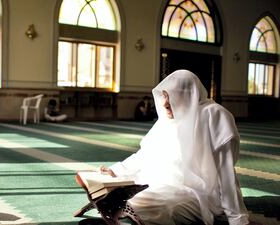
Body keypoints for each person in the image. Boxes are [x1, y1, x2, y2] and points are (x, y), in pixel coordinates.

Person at [100, 70, 250, 225]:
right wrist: (117, 170)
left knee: (147, 204)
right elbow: (145, 154)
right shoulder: (167, 120)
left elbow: (225, 172)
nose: (165, 103)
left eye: (171, 96)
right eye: (164, 96)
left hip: (199, 194)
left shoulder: (213, 115)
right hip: (162, 185)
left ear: (188, 95)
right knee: (124, 197)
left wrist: (237, 217)